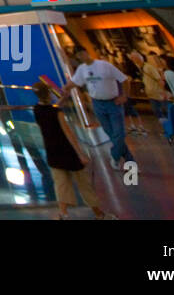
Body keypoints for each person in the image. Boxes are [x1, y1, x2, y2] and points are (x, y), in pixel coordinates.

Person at [33, 81, 114, 219]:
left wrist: (63, 99)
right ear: (48, 93)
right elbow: (68, 134)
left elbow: (51, 110)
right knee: (84, 184)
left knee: (61, 185)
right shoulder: (57, 113)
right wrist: (80, 154)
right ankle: (98, 214)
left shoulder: (37, 110)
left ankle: (63, 214)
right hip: (68, 152)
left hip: (52, 152)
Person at [65, 50, 133, 171]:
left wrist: (124, 96)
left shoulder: (105, 65)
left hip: (113, 102)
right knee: (111, 133)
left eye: (82, 54)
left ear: (87, 53)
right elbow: (74, 82)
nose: (81, 57)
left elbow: (124, 79)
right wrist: (63, 89)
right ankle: (129, 160)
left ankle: (115, 155)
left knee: (119, 133)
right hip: (97, 103)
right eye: (78, 56)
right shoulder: (82, 69)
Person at [135, 51, 173, 142]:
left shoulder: (148, 67)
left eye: (134, 58)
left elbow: (159, 80)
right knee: (158, 112)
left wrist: (164, 92)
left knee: (166, 112)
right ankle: (167, 130)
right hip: (151, 95)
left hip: (158, 94)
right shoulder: (141, 68)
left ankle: (171, 130)